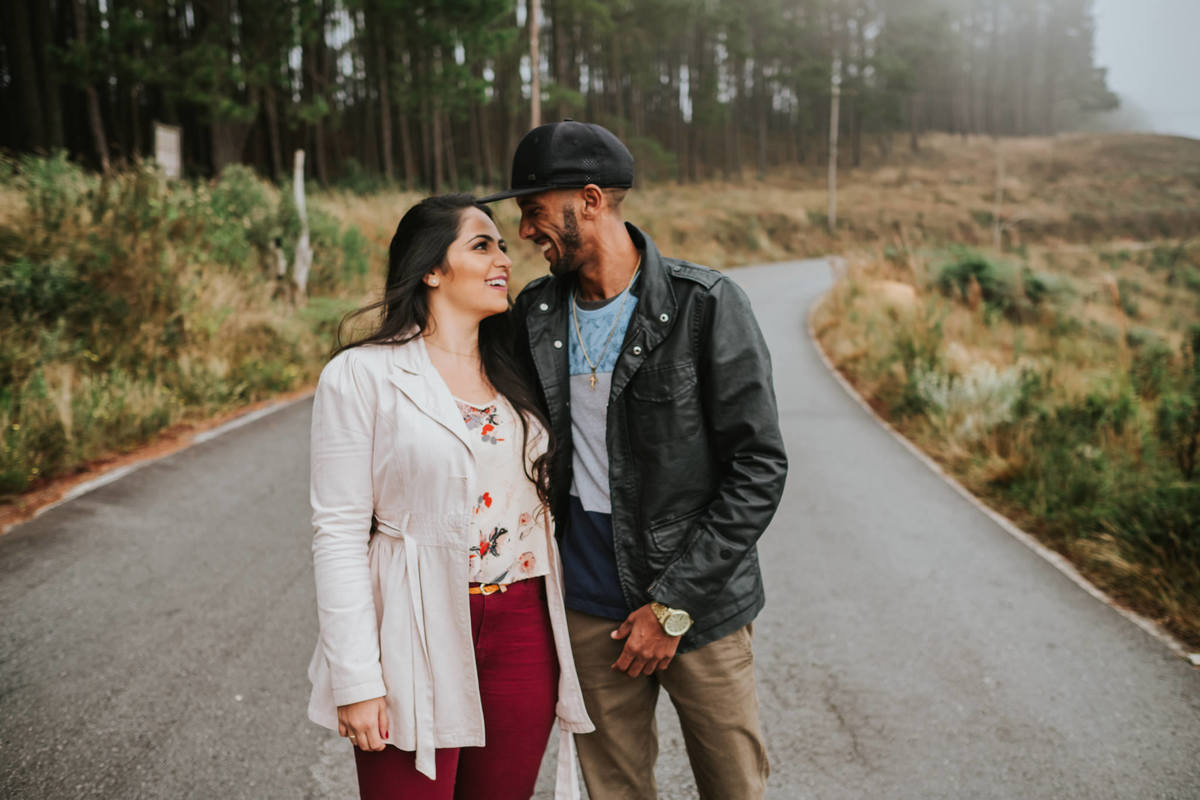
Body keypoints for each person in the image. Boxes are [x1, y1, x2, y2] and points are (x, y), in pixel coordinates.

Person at [480, 121, 788, 800]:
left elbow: (758, 468)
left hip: (700, 610)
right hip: (588, 606)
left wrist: (671, 607)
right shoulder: (533, 313)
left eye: (534, 212)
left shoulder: (704, 306)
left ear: (590, 200)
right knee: (613, 792)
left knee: (735, 788)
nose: (528, 231)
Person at [306, 194, 592, 800]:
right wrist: (356, 680)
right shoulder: (362, 375)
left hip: (523, 626)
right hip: (416, 622)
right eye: (482, 245)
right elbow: (337, 533)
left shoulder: (519, 368)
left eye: (504, 248)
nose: (503, 260)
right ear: (432, 268)